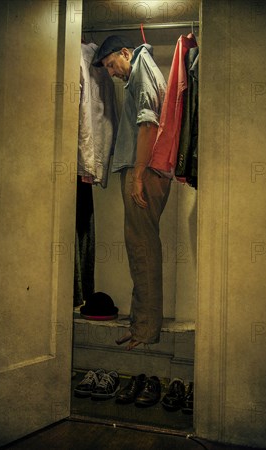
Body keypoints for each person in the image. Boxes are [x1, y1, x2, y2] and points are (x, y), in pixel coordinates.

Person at [92, 35, 170, 351]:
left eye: (111, 65)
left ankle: (146, 329)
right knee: (140, 247)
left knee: (142, 249)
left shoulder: (141, 69)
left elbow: (148, 124)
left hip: (145, 172)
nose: (111, 72)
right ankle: (141, 324)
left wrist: (137, 174)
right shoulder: (141, 70)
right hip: (145, 171)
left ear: (126, 53)